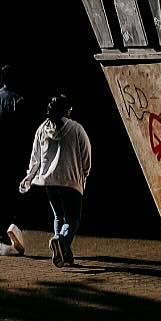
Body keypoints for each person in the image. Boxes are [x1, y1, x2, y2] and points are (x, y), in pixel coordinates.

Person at [20, 93, 92, 267]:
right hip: (70, 181)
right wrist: (85, 173)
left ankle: (64, 255)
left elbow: (35, 158)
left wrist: (29, 177)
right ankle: (62, 241)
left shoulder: (42, 129)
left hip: (48, 182)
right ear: (67, 110)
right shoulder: (76, 129)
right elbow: (86, 154)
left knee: (58, 216)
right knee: (73, 219)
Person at [0, 64, 30, 257]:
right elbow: (23, 132)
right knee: (17, 195)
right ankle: (14, 232)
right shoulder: (18, 100)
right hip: (14, 156)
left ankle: (2, 239)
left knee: (1, 196)